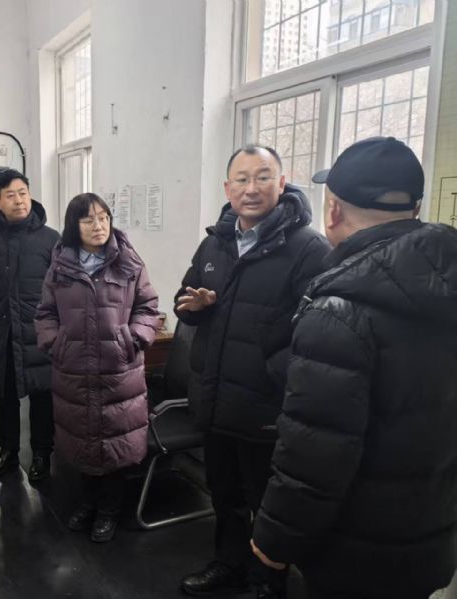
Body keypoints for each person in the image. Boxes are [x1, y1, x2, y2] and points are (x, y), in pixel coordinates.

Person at [251, 136, 457, 599]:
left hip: (354, 550)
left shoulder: (339, 310)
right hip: (429, 534)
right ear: (415, 208)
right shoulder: (445, 286)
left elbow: (315, 452)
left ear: (333, 210)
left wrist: (275, 540)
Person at [175, 145, 329, 598]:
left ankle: (268, 581)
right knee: (224, 493)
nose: (251, 188)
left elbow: (317, 333)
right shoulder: (215, 242)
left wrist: (271, 373)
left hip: (266, 406)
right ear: (228, 188)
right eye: (241, 179)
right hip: (217, 399)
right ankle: (229, 564)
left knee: (268, 501)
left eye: (263, 177)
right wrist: (196, 306)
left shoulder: (308, 249)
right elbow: (183, 300)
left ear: (281, 183)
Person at [35, 193, 159, 542]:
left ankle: (109, 510)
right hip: (74, 368)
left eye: (103, 217)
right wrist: (55, 343)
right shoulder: (61, 265)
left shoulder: (129, 262)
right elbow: (45, 312)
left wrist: (133, 339)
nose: (98, 225)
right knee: (83, 439)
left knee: (113, 441)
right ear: (74, 225)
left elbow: (148, 306)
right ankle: (88, 502)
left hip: (118, 369)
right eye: (88, 219)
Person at [0, 169, 60, 482]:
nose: (19, 200)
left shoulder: (51, 239)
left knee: (42, 396)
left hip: (40, 334)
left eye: (23, 193)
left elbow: (63, 290)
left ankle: (42, 454)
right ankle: (8, 451)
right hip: (2, 332)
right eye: (10, 195)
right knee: (4, 396)